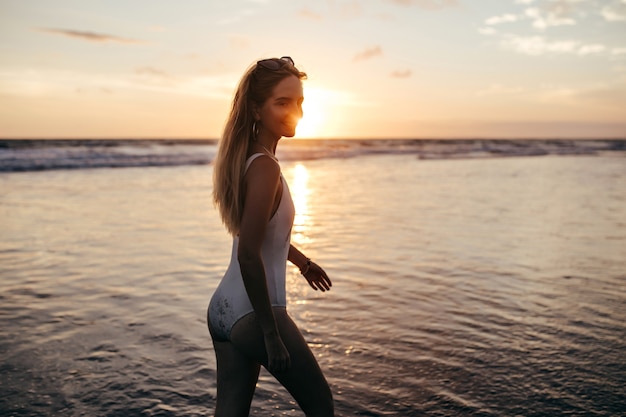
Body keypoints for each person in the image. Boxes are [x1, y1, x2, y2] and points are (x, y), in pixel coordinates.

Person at [207, 56, 335, 417]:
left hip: (222, 309)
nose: (295, 111)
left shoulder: (248, 159)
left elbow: (264, 234)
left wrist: (302, 262)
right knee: (322, 405)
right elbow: (249, 254)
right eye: (282, 102)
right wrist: (270, 333)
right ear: (256, 109)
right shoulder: (265, 167)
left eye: (299, 103)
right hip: (253, 313)